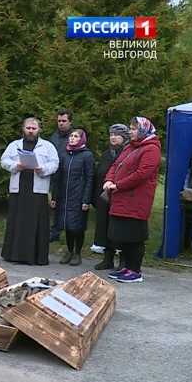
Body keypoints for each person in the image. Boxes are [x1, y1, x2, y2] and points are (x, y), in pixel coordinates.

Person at [104, 117, 162, 283]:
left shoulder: (151, 149)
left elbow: (142, 174)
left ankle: (135, 271)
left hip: (136, 200)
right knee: (123, 235)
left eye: (134, 129)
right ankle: (126, 267)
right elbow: (115, 165)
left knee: (134, 236)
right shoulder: (130, 146)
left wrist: (118, 185)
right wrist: (108, 180)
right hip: (121, 198)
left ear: (143, 130)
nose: (130, 132)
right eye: (130, 128)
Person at [0, 118, 59, 265]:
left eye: (34, 128)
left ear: (39, 130)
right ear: (23, 129)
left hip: (37, 191)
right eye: (28, 128)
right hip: (19, 190)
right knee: (17, 222)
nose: (31, 131)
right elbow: (4, 160)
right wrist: (15, 165)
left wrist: (42, 169)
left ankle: (36, 256)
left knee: (36, 223)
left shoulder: (47, 146)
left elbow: (55, 163)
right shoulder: (14, 145)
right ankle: (13, 254)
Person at [51, 129, 95, 266]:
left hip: (79, 196)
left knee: (78, 226)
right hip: (64, 195)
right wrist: (54, 197)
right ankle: (69, 251)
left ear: (82, 139)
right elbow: (57, 178)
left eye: (76, 136)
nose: (72, 138)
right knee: (67, 225)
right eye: (71, 136)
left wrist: (86, 200)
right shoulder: (64, 155)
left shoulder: (87, 156)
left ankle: (78, 253)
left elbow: (90, 179)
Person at [92, 124, 130, 271]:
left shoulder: (127, 153)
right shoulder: (108, 153)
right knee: (105, 227)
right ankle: (107, 259)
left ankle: (123, 261)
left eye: (117, 135)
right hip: (104, 196)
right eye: (111, 134)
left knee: (119, 228)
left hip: (120, 196)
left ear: (124, 136)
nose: (113, 137)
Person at [49, 109, 74, 241]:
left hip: (69, 173)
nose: (61, 124)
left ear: (70, 122)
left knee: (68, 203)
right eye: (59, 121)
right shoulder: (54, 137)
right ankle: (55, 230)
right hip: (56, 174)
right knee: (55, 201)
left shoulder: (74, 136)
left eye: (64, 121)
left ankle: (69, 229)